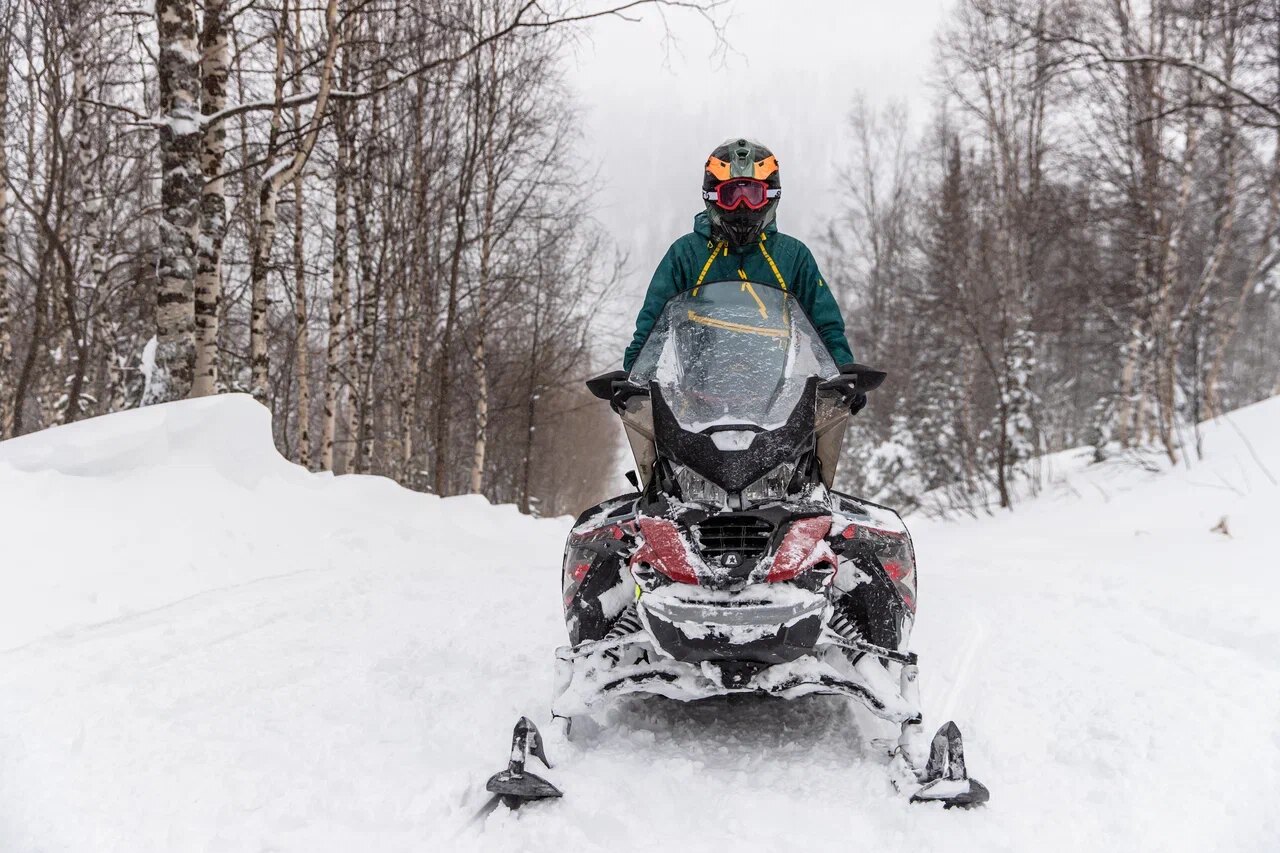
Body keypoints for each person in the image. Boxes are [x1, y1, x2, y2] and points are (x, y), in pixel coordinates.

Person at [622, 138, 854, 371]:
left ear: (770, 196)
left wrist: (841, 371)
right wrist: (635, 376)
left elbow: (826, 324)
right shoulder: (686, 254)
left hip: (776, 397)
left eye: (753, 195)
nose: (742, 205)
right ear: (712, 196)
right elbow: (652, 325)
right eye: (730, 196)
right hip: (695, 393)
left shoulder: (792, 256)